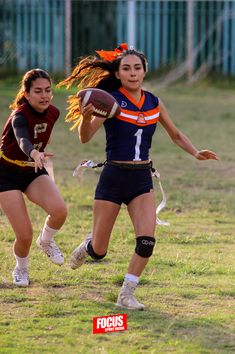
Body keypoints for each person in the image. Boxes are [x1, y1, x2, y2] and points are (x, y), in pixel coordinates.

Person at [58, 44, 219, 310]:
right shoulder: (110, 101)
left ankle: (126, 295)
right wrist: (86, 119)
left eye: (137, 68)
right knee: (100, 251)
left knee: (146, 242)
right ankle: (88, 247)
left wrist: (196, 152)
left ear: (144, 71)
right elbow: (85, 138)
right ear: (118, 74)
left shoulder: (154, 101)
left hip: (141, 179)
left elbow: (175, 134)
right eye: (126, 69)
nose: (132, 73)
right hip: (113, 177)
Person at [0, 69, 67, 287]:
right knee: (24, 234)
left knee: (60, 211)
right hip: (6, 172)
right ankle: (21, 268)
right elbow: (22, 139)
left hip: (32, 168)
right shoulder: (19, 115)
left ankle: (46, 241)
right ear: (27, 94)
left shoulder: (53, 112)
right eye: (37, 91)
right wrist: (35, 152)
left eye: (48, 90)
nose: (44, 95)